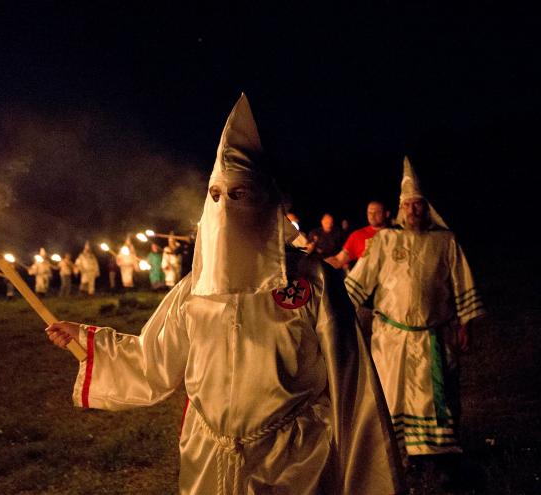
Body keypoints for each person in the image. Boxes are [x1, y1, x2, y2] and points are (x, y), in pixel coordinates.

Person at [48, 94, 404, 494]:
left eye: (240, 194)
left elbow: (352, 385)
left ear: (265, 201)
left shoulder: (311, 283)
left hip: (292, 461)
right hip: (209, 457)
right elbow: (154, 360)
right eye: (217, 195)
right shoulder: (194, 289)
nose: (227, 206)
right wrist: (84, 339)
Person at [345, 157, 486, 468]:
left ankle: (436, 457)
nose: (412, 211)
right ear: (401, 208)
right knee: (391, 394)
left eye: (417, 205)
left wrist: (465, 324)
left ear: (426, 207)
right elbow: (360, 280)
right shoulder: (385, 240)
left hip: (433, 335)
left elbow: (461, 282)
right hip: (391, 338)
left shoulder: (445, 242)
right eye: (407, 205)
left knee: (434, 398)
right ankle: (395, 456)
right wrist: (335, 305)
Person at [325, 200, 390, 271]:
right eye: (369, 213)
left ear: (387, 214)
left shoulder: (397, 234)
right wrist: (317, 266)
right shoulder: (357, 235)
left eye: (377, 212)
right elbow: (338, 260)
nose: (372, 216)